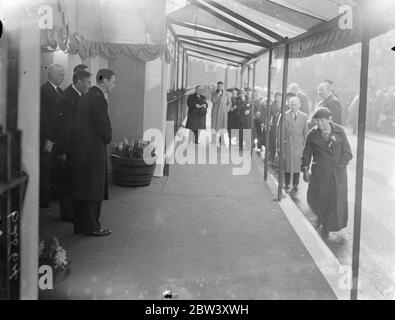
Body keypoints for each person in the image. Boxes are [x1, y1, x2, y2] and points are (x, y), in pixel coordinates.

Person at [71, 69, 115, 236]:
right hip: (93, 151)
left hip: (82, 150)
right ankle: (92, 227)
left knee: (83, 187)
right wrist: (108, 137)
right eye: (113, 81)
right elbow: (103, 127)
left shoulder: (86, 96)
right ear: (104, 81)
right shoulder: (98, 99)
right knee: (93, 188)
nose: (114, 85)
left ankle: (81, 225)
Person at [301, 107, 353, 238]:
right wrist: (305, 169)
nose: (319, 124)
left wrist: (341, 164)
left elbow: (348, 152)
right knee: (320, 198)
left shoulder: (340, 131)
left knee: (334, 200)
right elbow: (306, 153)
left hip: (337, 173)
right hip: (320, 173)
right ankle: (321, 217)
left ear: (329, 119)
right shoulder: (312, 134)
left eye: (322, 120)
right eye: (317, 120)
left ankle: (327, 225)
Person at [53, 70, 92, 222]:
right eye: (88, 83)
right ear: (79, 82)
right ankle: (68, 213)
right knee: (68, 181)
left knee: (73, 180)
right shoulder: (68, 98)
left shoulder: (77, 95)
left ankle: (72, 211)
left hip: (75, 147)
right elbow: (63, 128)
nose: (89, 86)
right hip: (68, 149)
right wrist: (63, 151)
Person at [40, 64, 65, 208]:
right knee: (46, 169)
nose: (63, 77)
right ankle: (44, 200)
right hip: (49, 138)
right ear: (51, 75)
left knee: (56, 168)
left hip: (58, 138)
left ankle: (54, 195)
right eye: (60, 74)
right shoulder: (44, 91)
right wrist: (47, 138)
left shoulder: (60, 91)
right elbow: (44, 118)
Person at [276, 97, 308, 191]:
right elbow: (279, 132)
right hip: (287, 144)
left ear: (299, 105)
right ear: (289, 105)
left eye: (296, 104)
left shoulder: (304, 116)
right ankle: (287, 183)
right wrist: (279, 145)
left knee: (297, 165)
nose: (294, 106)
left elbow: (306, 132)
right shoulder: (284, 115)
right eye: (292, 104)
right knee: (287, 165)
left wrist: (305, 146)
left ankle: (296, 183)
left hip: (299, 144)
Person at [211, 81, 232, 146]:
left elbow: (229, 103)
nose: (220, 87)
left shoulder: (226, 94)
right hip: (216, 112)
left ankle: (222, 140)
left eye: (221, 86)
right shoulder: (213, 93)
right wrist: (218, 95)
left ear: (223, 86)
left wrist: (227, 109)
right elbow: (213, 101)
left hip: (223, 113)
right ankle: (213, 140)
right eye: (218, 86)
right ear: (217, 87)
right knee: (214, 126)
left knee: (222, 127)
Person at [269, 91, 282, 161]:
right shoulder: (272, 105)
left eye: (279, 97)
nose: (278, 98)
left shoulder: (284, 105)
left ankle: (279, 157)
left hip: (282, 124)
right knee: (273, 140)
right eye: (277, 97)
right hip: (274, 124)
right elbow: (269, 115)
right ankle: (272, 155)